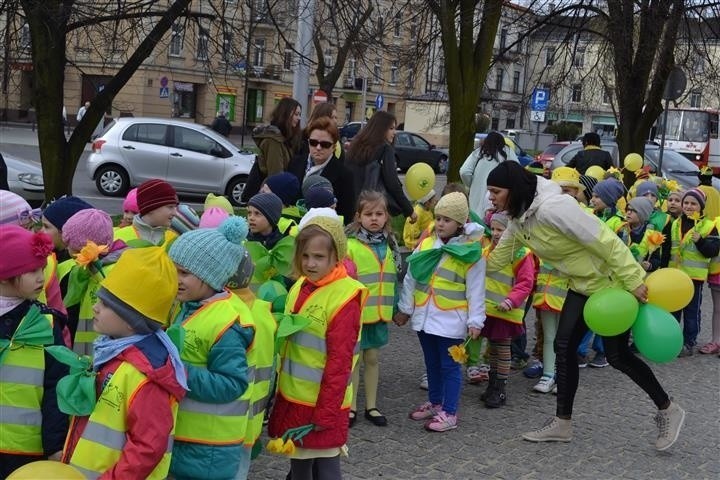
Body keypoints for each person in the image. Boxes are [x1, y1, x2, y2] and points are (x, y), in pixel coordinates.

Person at [485, 161, 685, 451]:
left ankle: (668, 409)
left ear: (513, 190)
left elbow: (605, 240)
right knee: (564, 348)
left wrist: (632, 279)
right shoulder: (520, 220)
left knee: (618, 356)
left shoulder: (555, 208)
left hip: (611, 284)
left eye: (495, 191)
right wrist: (463, 257)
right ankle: (562, 424)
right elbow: (496, 262)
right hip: (581, 285)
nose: (491, 197)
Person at [61, 246, 187, 479]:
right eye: (99, 299)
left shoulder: (145, 376)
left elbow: (148, 447)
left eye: (107, 304)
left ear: (133, 321)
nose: (96, 308)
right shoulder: (113, 352)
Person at [268, 210, 367, 479]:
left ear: (337, 256)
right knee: (299, 463)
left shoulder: (344, 298)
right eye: (305, 256)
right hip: (295, 397)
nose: (310, 264)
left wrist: (325, 414)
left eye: (319, 257)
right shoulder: (302, 284)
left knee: (326, 466)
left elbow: (340, 362)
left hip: (322, 403)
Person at [167, 217, 256, 480]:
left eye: (184, 272)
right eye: (174, 270)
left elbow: (231, 383)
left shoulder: (227, 323)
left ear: (210, 275)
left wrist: (179, 372)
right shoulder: (189, 305)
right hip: (187, 437)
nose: (176, 279)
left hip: (210, 447)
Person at [394, 192, 486, 432]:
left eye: (447, 219)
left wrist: (476, 320)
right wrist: (405, 308)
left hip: (451, 318)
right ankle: (435, 402)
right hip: (425, 316)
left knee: (450, 366)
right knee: (431, 363)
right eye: (438, 218)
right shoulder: (426, 244)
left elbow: (476, 289)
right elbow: (411, 278)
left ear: (460, 223)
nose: (440, 223)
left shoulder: (470, 252)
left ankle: (450, 412)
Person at [0, 225, 68, 478]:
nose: (42, 277)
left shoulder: (47, 323)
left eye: (42, 268)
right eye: (31, 271)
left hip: (26, 450)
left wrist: (55, 445)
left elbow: (57, 387)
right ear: (5, 274)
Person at [346, 191, 400, 428]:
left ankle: (371, 405)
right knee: (355, 359)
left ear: (386, 216)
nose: (374, 218)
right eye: (369, 214)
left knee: (373, 358)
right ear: (359, 217)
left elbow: (395, 278)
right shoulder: (351, 246)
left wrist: (398, 307)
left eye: (379, 213)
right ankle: (351, 407)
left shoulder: (390, 245)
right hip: (357, 314)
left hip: (379, 313)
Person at [479, 212, 534, 407]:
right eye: (492, 229)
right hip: (490, 309)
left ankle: (500, 388)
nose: (495, 233)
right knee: (492, 349)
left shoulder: (520, 253)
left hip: (506, 311)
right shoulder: (488, 250)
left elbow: (525, 282)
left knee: (502, 349)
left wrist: (511, 301)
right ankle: (492, 384)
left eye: (500, 229)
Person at [59, 208, 127, 355]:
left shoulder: (108, 274)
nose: (68, 250)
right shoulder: (88, 271)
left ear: (83, 249)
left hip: (103, 352)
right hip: (89, 352)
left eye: (71, 246)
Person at [669, 188, 719, 357]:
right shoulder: (676, 223)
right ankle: (672, 340)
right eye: (686, 203)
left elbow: (712, 251)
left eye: (693, 204)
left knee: (691, 312)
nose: (689, 206)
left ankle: (689, 341)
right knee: (674, 309)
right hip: (675, 275)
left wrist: (701, 241)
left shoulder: (708, 226)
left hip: (693, 277)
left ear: (701, 207)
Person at [345, 111, 415, 223]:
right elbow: (392, 184)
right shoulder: (385, 149)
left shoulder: (355, 148)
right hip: (373, 209)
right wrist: (409, 210)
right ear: (381, 129)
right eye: (391, 128)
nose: (394, 132)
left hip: (351, 207)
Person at [288, 117, 356, 224]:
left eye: (325, 144)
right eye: (313, 142)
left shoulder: (344, 175)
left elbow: (346, 214)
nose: (318, 147)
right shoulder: (295, 163)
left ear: (333, 147)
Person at [242, 97, 302, 202]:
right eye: (296, 114)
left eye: (299, 114)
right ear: (285, 114)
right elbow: (276, 176)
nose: (299, 118)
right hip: (271, 196)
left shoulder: (285, 138)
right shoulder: (274, 141)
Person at [459, 131, 519, 217]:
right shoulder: (508, 153)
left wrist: (471, 184)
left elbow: (464, 171)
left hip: (476, 202)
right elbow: (517, 172)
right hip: (499, 203)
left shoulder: (478, 153)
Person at [113, 179, 179, 245]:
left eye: (175, 207)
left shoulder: (174, 240)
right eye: (170, 207)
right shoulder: (119, 238)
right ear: (151, 207)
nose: (175, 213)